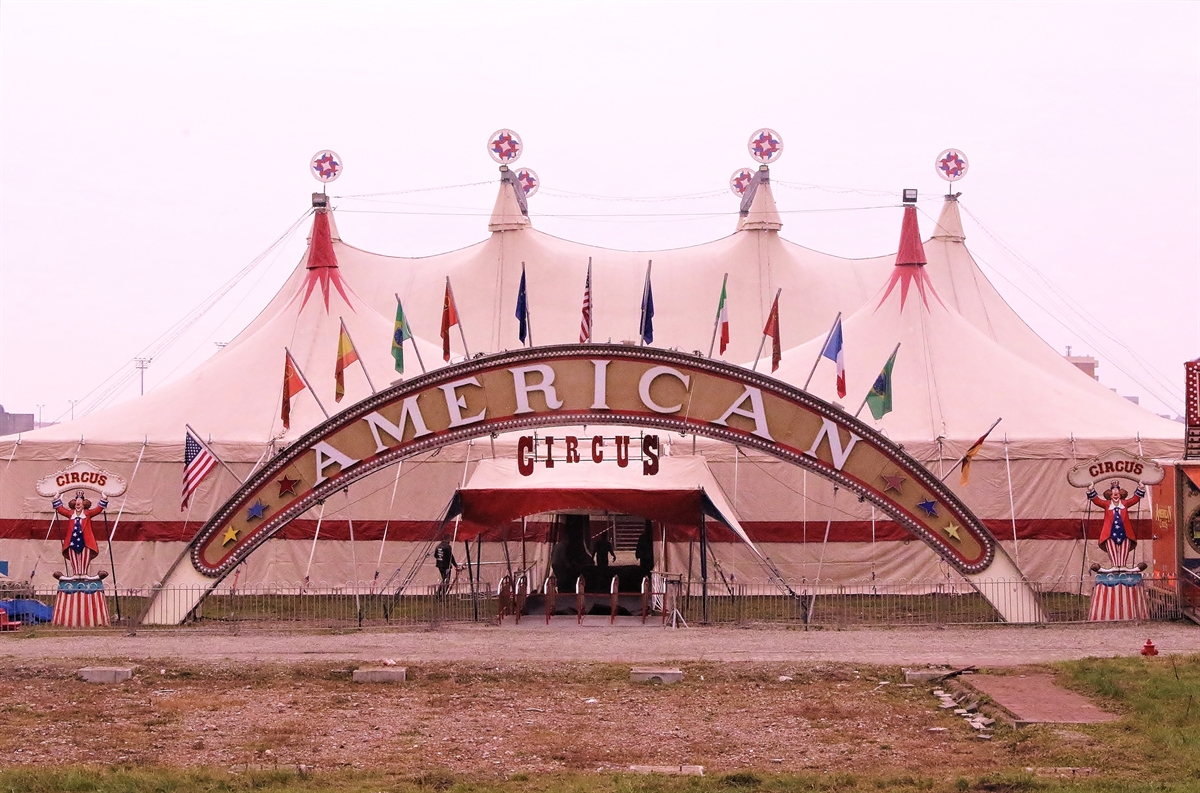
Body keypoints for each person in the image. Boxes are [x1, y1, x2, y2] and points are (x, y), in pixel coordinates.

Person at [1086, 479, 1146, 570]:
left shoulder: (1125, 504)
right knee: (1112, 548)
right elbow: (1096, 500)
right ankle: (1115, 566)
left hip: (1125, 533)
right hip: (1110, 533)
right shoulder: (1107, 504)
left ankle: (1122, 566)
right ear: (1110, 495)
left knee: (1124, 548)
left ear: (1121, 494)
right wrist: (1091, 490)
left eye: (1117, 494)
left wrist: (1140, 488)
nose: (1115, 496)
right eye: (1113, 494)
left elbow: (1135, 499)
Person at [51, 490, 108, 578]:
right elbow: (61, 510)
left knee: (85, 556)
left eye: (80, 503)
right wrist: (56, 499)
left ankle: (84, 574)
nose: (78, 505)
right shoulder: (71, 514)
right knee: (73, 556)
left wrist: (104, 499)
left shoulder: (87, 514)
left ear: (84, 505)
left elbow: (97, 510)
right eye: (77, 503)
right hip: (72, 541)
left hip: (86, 541)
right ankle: (76, 574)